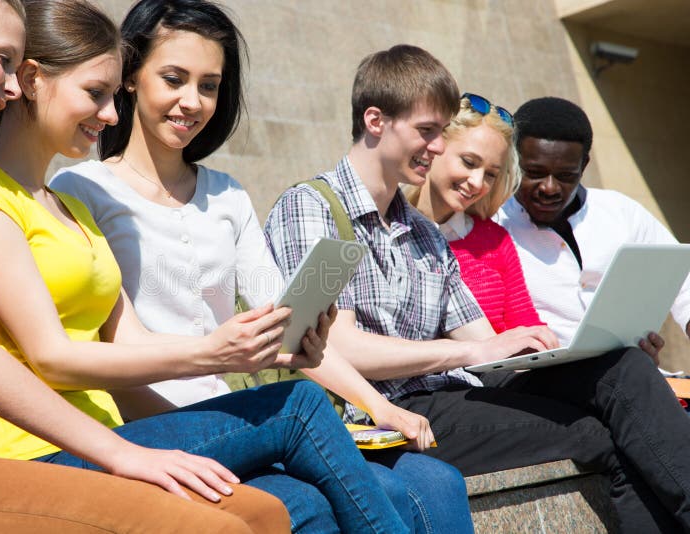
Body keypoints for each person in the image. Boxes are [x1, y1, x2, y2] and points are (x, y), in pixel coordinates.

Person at [0, 1, 418, 532]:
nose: (110, 114)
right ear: (33, 81)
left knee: (305, 504)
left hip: (117, 432)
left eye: (209, 85)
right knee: (300, 407)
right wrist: (211, 353)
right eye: (96, 93)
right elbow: (51, 357)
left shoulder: (67, 205)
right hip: (44, 449)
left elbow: (132, 339)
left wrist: (283, 344)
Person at [50, 1, 473, 532]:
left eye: (209, 85)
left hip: (237, 414)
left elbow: (283, 317)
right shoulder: (82, 188)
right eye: (174, 79)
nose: (192, 101)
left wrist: (376, 405)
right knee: (354, 494)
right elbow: (103, 346)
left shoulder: (227, 194)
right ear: (130, 77)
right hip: (155, 426)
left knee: (436, 481)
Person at [0, 0, 288, 532]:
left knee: (265, 510)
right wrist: (122, 451)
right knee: (273, 449)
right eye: (4, 60)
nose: (10, 85)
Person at [265, 43, 690, 533]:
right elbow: (337, 347)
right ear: (375, 121)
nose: (437, 147)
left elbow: (485, 343)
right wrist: (468, 353)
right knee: (595, 435)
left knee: (622, 370)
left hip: (457, 394)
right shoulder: (313, 207)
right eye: (428, 131)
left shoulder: (423, 232)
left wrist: (560, 352)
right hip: (387, 413)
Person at [496, 96, 690, 359]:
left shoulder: (620, 211)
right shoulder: (492, 223)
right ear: (513, 160)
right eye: (535, 173)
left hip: (629, 367)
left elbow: (681, 274)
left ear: (584, 165)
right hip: (536, 376)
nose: (549, 187)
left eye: (565, 176)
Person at [403, 93, 544, 333]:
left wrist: (542, 340)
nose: (478, 183)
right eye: (469, 162)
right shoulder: (387, 230)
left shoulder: (495, 240)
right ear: (434, 148)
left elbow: (524, 322)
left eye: (490, 174)